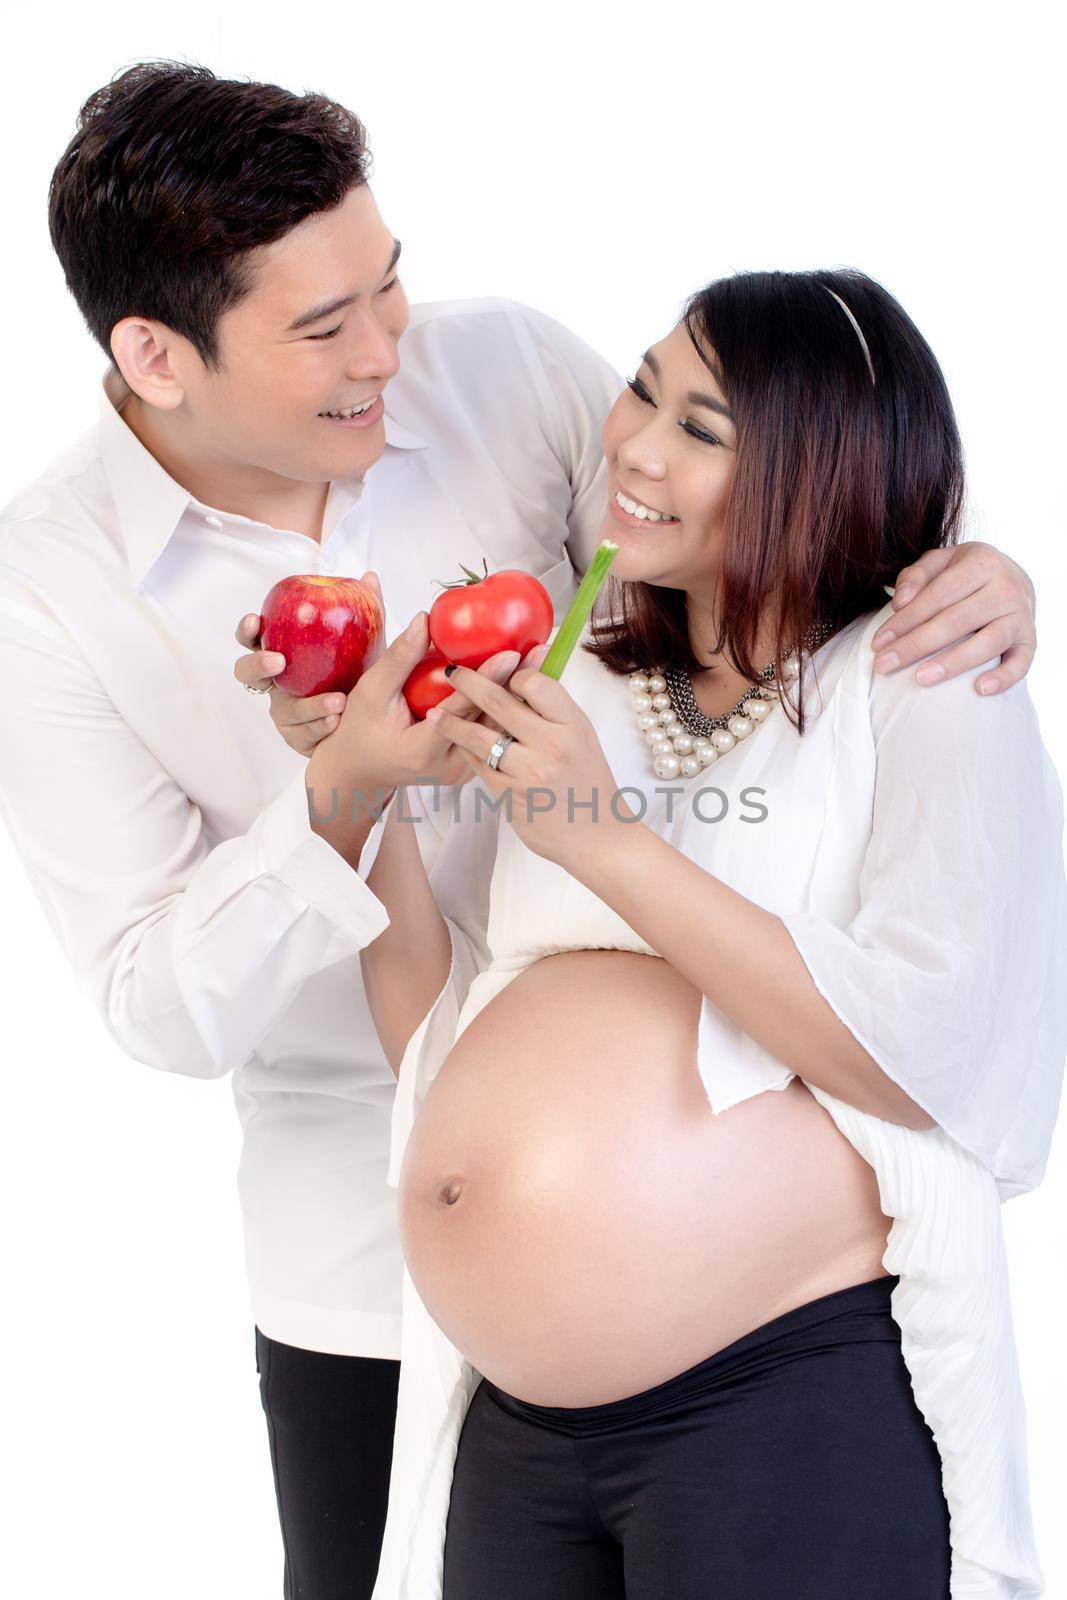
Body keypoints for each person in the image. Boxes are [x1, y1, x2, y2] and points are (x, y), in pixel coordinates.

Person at [0, 59, 1039, 1599]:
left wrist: (960, 569)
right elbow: (160, 1006)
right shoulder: (45, 597)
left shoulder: (508, 378)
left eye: (390, 283)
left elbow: (764, 550)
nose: (388, 349)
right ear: (155, 356)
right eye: (323, 327)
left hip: (742, 1313)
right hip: (372, 1282)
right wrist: (349, 795)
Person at [288, 269, 1065, 1599]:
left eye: (702, 429)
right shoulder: (578, 668)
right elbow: (441, 1034)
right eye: (643, 386)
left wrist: (605, 840)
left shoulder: (919, 679)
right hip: (514, 1433)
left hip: (777, 1400)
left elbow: (941, 1055)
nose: (634, 444)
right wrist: (358, 789)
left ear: (822, 476)